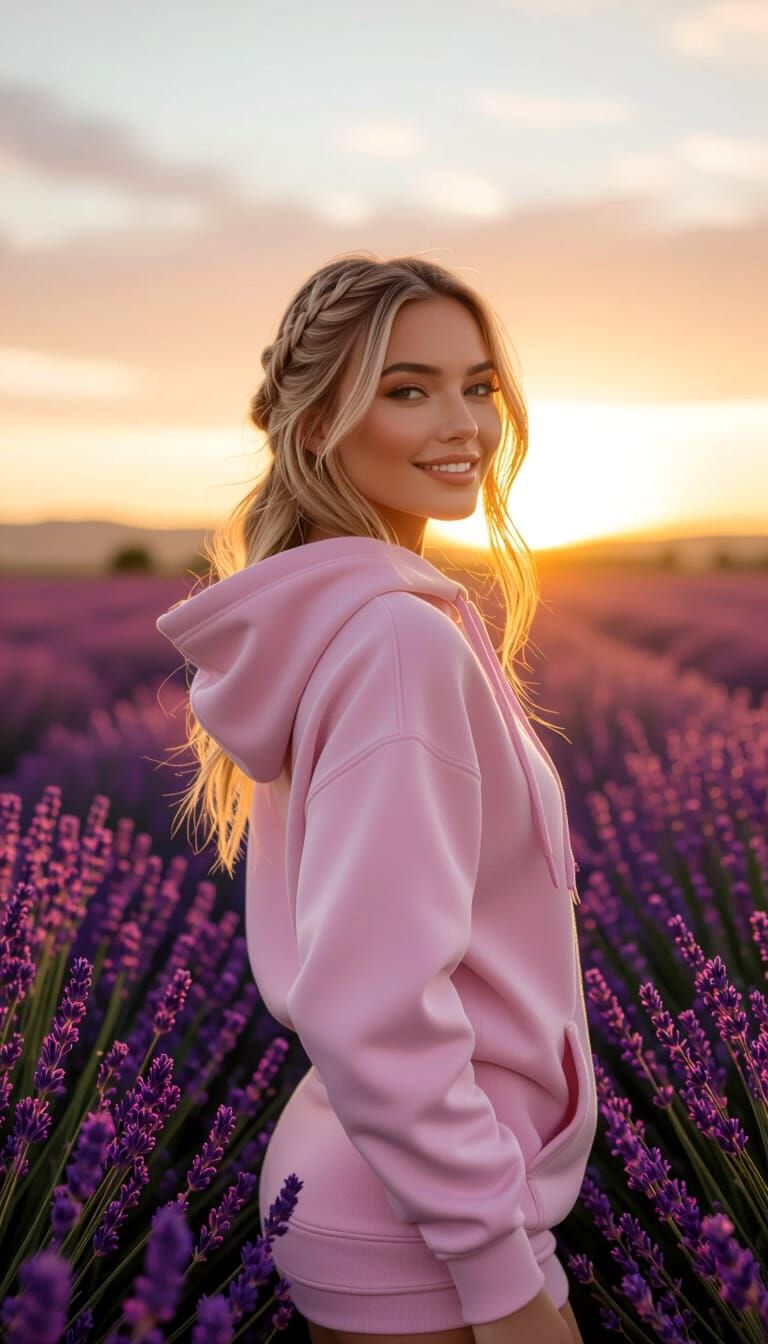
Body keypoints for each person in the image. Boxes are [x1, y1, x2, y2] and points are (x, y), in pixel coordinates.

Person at [156, 254, 598, 1344]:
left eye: (478, 385)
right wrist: (506, 1284)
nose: (463, 424)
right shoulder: (397, 638)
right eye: (408, 389)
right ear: (316, 426)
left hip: (419, 1193)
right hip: (428, 1228)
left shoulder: (373, 618)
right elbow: (374, 1001)